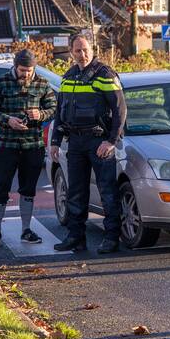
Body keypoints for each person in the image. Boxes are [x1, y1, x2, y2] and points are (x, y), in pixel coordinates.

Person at [50, 33, 127, 254]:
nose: (82, 54)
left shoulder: (105, 74)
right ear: (71, 52)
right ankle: (76, 238)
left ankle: (111, 238)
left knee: (107, 192)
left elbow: (120, 110)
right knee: (75, 192)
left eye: (85, 50)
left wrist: (111, 141)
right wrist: (55, 141)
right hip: (75, 142)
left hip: (99, 141)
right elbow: (60, 112)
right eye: (77, 50)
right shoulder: (68, 77)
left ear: (93, 50)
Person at [0, 49, 57, 248]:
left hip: (33, 145)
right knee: (2, 186)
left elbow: (53, 109)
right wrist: (7, 119)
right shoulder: (1, 82)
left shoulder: (42, 84)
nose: (26, 74)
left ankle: (26, 229)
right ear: (15, 66)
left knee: (28, 188)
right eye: (22, 70)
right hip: (6, 144)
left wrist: (40, 115)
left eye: (29, 70)